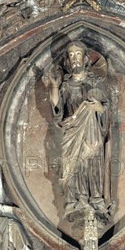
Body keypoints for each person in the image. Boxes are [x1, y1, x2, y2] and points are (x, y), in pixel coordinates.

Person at [48, 42, 110, 219]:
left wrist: (99, 108)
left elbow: (106, 107)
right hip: (72, 131)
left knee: (92, 164)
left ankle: (96, 199)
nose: (75, 58)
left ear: (85, 58)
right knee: (74, 165)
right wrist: (54, 87)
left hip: (92, 131)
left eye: (78, 54)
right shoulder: (66, 85)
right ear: (68, 60)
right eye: (71, 55)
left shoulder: (95, 82)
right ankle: (76, 201)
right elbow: (57, 108)